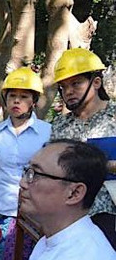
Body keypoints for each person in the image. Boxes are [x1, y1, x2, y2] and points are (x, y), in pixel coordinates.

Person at [0, 67, 51, 260]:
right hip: (1, 212)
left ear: (34, 101)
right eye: (12, 96)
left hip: (36, 215)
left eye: (24, 96)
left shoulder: (47, 132)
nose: (17, 101)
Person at [50, 48, 116, 247]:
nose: (68, 91)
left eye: (76, 83)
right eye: (63, 87)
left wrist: (104, 166)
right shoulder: (59, 126)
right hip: (69, 221)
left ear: (96, 82)